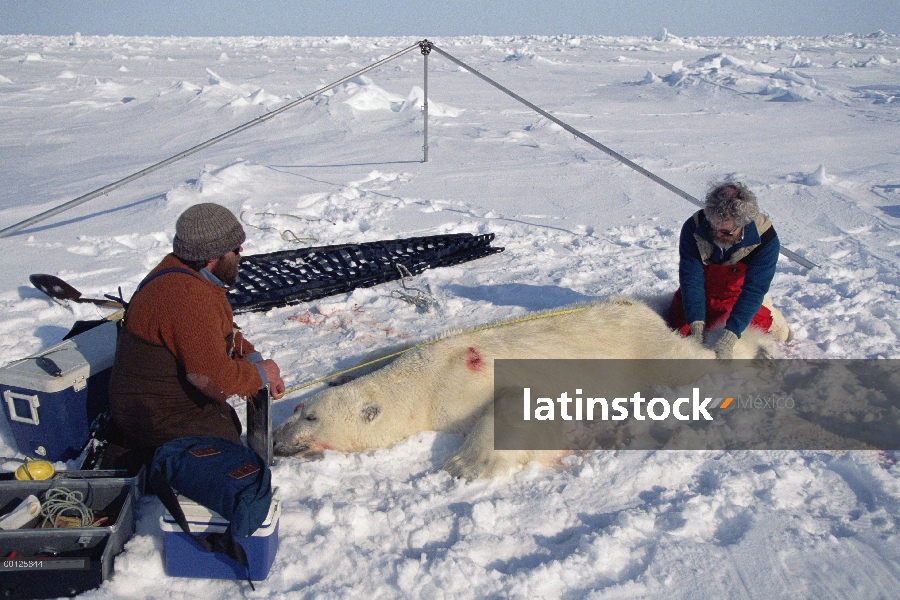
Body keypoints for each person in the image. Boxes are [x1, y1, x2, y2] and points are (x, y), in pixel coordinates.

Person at [104, 203, 285, 468]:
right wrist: (259, 375)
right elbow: (213, 376)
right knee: (235, 465)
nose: (241, 252)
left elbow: (223, 332)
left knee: (227, 429)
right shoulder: (185, 296)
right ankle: (145, 458)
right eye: (235, 248)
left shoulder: (186, 276)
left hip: (163, 404)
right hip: (155, 416)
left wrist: (255, 361)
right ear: (213, 255)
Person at [666, 181, 781, 359]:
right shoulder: (694, 226)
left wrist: (731, 335)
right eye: (714, 228)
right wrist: (696, 325)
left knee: (740, 343)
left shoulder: (765, 239)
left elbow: (754, 290)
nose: (718, 234)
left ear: (743, 223)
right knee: (678, 333)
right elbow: (691, 280)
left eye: (726, 232)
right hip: (699, 294)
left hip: (735, 298)